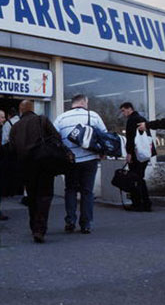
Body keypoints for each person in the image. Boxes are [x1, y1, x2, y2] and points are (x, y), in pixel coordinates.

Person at [9, 100, 61, 243]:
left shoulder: (15, 127)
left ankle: (33, 226)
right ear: (33, 109)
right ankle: (40, 229)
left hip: (26, 166)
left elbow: (12, 149)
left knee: (32, 197)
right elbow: (57, 138)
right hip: (44, 164)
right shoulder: (42, 120)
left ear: (21, 110)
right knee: (44, 196)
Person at [54, 94, 107, 234]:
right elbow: (104, 135)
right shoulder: (93, 116)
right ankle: (86, 224)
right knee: (87, 191)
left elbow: (54, 138)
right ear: (84, 102)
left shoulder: (61, 118)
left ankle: (70, 221)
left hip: (70, 161)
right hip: (90, 159)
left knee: (70, 190)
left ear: (73, 103)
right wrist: (102, 152)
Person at [119, 102, 155, 211]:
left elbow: (131, 138)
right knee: (140, 178)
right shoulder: (141, 118)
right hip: (144, 153)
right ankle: (145, 203)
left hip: (136, 154)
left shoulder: (132, 120)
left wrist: (129, 153)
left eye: (123, 111)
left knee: (135, 178)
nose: (123, 113)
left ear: (129, 109)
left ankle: (139, 203)